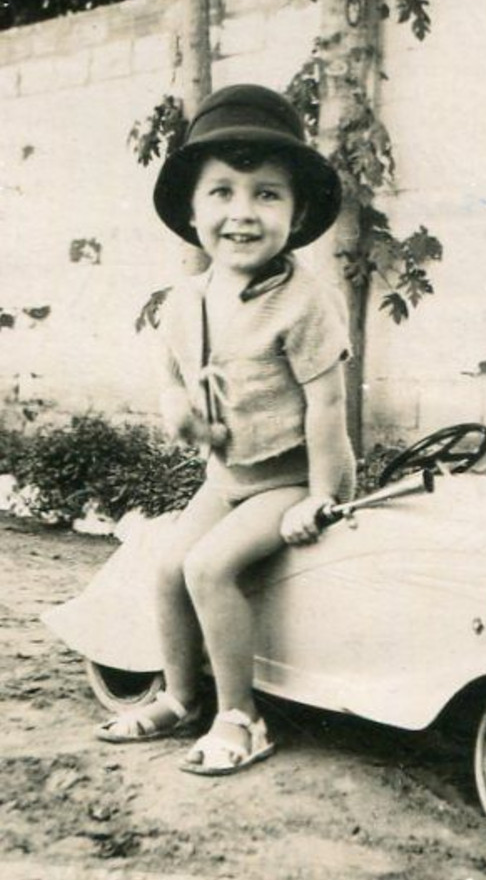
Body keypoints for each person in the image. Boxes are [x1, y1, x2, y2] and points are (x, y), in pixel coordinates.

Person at [97, 84, 356, 775]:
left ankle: (242, 716)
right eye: (222, 193)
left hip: (290, 476)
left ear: (297, 212)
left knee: (211, 568)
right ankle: (180, 698)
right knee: (167, 565)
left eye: (266, 195)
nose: (242, 213)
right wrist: (177, 406)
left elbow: (328, 406)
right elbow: (174, 371)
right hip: (229, 477)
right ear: (191, 210)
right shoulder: (185, 299)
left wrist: (319, 496)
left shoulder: (305, 301)